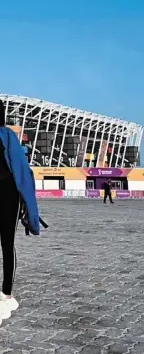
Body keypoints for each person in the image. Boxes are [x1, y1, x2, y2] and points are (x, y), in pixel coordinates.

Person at [0, 100, 41, 323]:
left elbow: (22, 172)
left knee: (7, 243)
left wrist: (28, 205)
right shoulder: (9, 137)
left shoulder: (8, 137)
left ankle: (7, 292)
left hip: (8, 197)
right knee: (6, 243)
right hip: (8, 195)